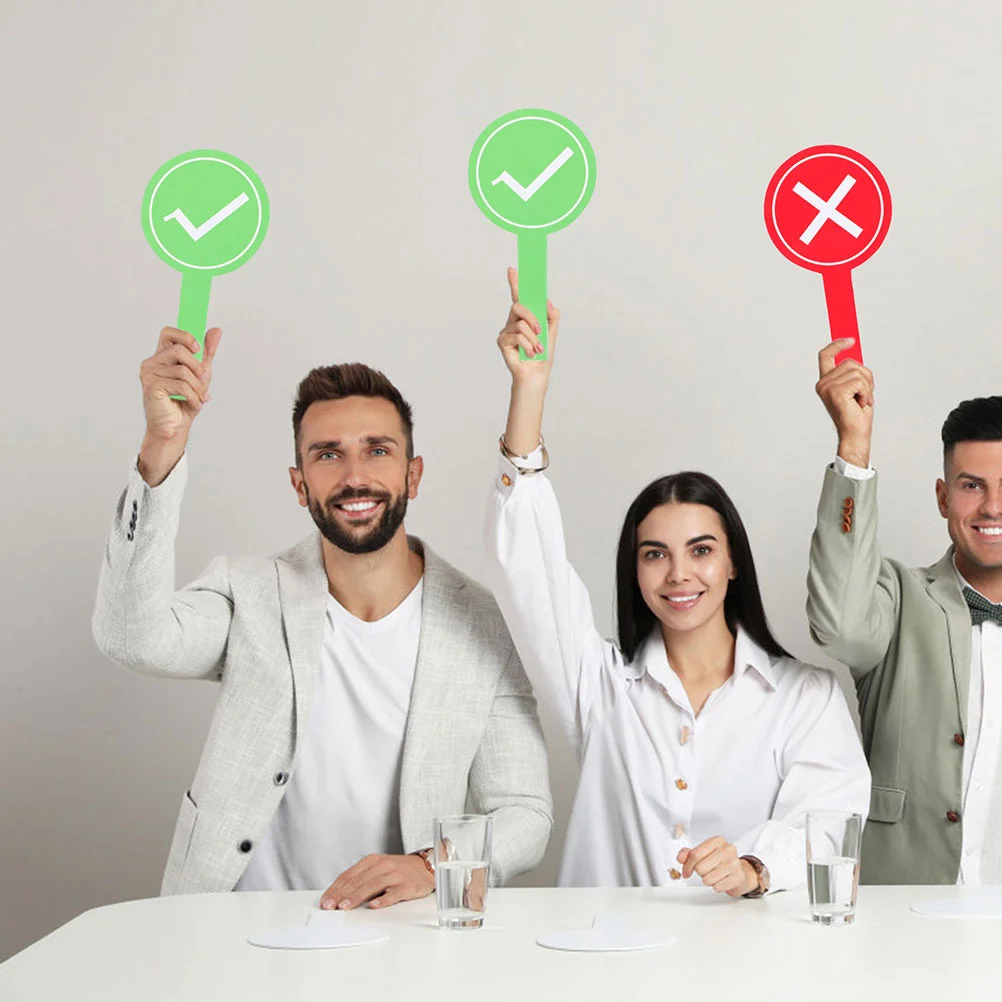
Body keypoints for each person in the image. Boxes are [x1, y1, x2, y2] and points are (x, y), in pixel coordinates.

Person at [92, 325, 552, 908]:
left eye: (377, 450)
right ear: (299, 484)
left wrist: (432, 866)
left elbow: (524, 812)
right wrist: (162, 444)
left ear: (413, 474)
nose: (354, 476)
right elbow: (132, 637)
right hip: (234, 932)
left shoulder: (478, 620)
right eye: (327, 455)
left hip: (401, 936)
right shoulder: (250, 592)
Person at [484, 272, 870, 895]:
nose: (679, 574)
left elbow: (829, 824)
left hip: (747, 977)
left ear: (733, 563)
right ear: (634, 572)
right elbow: (526, 567)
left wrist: (754, 867)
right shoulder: (600, 688)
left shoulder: (806, 698)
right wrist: (528, 391)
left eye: (701, 550)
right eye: (654, 554)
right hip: (609, 974)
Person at [808, 337, 1002, 884]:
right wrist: (854, 448)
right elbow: (838, 622)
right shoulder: (897, 596)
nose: (992, 507)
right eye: (972, 486)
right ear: (943, 498)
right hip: (899, 914)